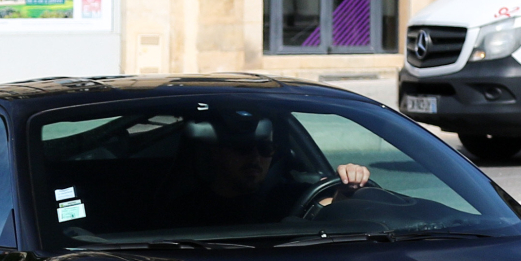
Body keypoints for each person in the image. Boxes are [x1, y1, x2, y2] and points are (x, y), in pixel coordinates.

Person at [157, 110, 369, 230]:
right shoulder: (185, 211)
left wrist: (348, 188)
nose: (255, 158)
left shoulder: (293, 196)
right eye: (243, 149)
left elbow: (331, 212)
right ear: (217, 154)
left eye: (265, 149)